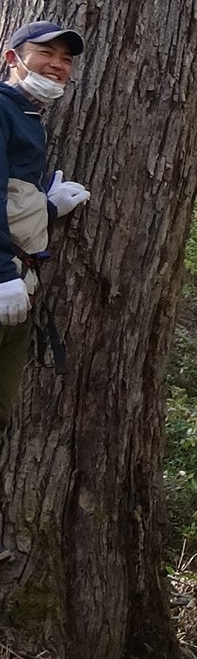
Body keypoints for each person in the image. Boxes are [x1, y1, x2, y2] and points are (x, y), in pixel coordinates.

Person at [0, 22, 90, 417]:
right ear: (12, 58)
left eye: (66, 59)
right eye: (46, 53)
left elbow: (12, 196)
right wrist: (2, 274)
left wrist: (49, 208)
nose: (58, 65)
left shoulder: (27, 116)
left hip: (19, 286)